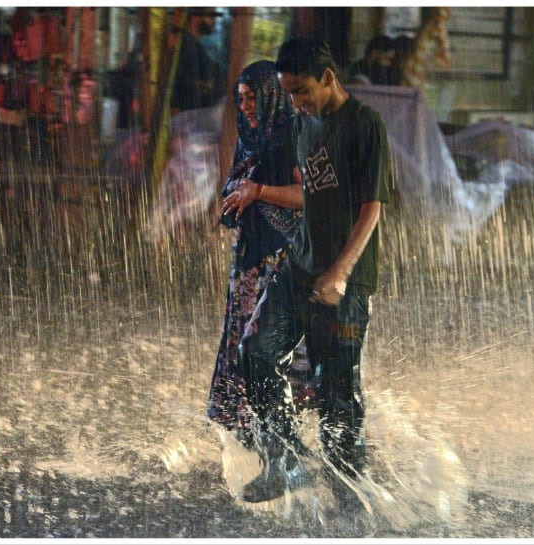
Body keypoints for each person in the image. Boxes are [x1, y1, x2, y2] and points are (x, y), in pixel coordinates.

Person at [236, 35, 391, 504]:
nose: (297, 102)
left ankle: (352, 501)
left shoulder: (364, 124)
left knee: (337, 394)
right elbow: (310, 194)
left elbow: (372, 209)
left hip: (346, 283)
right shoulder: (304, 126)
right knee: (256, 350)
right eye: (289, 94)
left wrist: (341, 271)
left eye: (303, 90)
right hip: (298, 270)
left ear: (328, 77)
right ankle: (282, 461)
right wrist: (259, 191)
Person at [208, 60, 309, 443]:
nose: (246, 106)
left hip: (280, 260)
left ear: (271, 95)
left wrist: (259, 192)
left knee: (267, 348)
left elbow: (308, 197)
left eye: (252, 98)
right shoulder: (253, 138)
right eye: (242, 99)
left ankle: (283, 439)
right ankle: (254, 433)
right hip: (250, 260)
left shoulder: (291, 136)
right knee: (244, 345)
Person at [171, 7, 225, 113]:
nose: (214, 22)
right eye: (211, 15)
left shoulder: (192, 46)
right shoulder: (187, 48)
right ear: (195, 16)